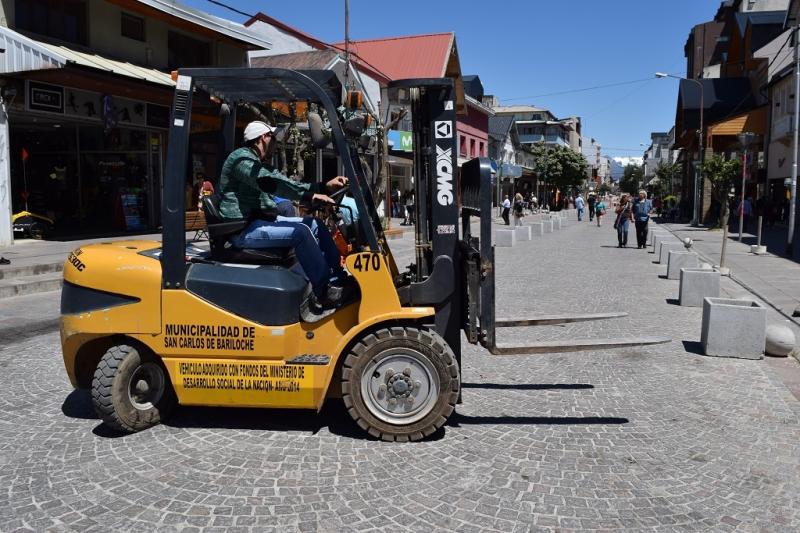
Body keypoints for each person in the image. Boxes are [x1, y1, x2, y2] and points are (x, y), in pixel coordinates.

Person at [217, 121, 349, 309]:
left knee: (314, 224)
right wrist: (311, 193)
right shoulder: (243, 162)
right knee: (301, 233)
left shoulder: (254, 162)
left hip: (257, 220)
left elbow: (280, 184)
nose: (275, 144)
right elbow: (272, 182)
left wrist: (321, 188)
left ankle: (337, 277)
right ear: (263, 138)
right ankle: (323, 291)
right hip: (243, 230)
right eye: (273, 138)